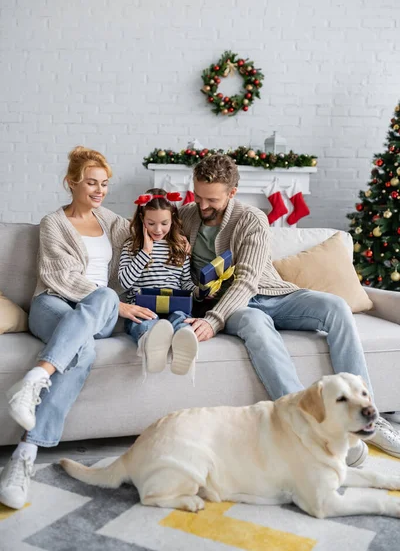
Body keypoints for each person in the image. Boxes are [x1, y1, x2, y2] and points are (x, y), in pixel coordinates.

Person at [179, 153, 400, 463]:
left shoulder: (251, 219)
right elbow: (144, 229)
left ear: (232, 193)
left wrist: (213, 322)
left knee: (336, 307)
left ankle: (365, 417)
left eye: (211, 200)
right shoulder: (186, 216)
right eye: (198, 196)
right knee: (256, 324)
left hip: (269, 293)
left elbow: (247, 282)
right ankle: (306, 427)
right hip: (233, 307)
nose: (202, 206)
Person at [0, 146, 156, 510]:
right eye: (91, 183)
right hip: (51, 304)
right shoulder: (53, 223)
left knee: (103, 298)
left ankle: (36, 377)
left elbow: (143, 228)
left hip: (98, 310)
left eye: (104, 184)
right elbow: (60, 276)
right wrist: (115, 302)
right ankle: (26, 453)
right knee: (83, 344)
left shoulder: (110, 222)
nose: (99, 191)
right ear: (70, 183)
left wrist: (156, 237)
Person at [118, 188, 199, 376]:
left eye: (164, 223)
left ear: (173, 220)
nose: (158, 229)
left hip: (174, 306)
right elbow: (125, 282)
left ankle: (183, 340)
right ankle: (151, 344)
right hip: (142, 309)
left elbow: (185, 282)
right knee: (146, 322)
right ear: (141, 220)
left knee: (181, 317)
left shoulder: (179, 246)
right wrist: (145, 252)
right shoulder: (131, 246)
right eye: (151, 223)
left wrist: (198, 291)